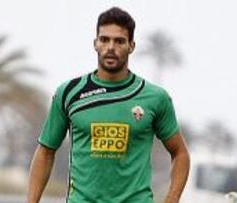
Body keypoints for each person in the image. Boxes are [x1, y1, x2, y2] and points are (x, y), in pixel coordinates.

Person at [27, 7, 190, 203]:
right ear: (95, 43)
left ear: (131, 46)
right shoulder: (69, 93)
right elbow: (45, 152)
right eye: (104, 40)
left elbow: (180, 154)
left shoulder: (155, 98)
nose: (110, 47)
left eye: (119, 41)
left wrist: (171, 200)